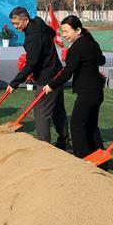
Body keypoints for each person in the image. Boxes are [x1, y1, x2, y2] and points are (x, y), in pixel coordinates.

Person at [43, 15, 106, 158]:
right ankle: (100, 160)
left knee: (77, 126)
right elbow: (101, 60)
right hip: (97, 91)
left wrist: (51, 85)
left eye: (67, 31)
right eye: (63, 32)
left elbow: (68, 72)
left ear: (78, 30)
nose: (64, 35)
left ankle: (82, 157)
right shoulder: (91, 42)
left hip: (87, 92)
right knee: (91, 126)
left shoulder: (77, 47)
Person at [7, 7, 68, 149]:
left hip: (47, 78)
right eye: (13, 24)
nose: (15, 27)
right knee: (58, 110)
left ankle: (44, 147)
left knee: (41, 113)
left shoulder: (33, 37)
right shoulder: (40, 24)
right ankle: (64, 141)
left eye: (17, 23)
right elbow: (52, 32)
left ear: (26, 20)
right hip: (57, 73)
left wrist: (15, 83)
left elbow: (31, 63)